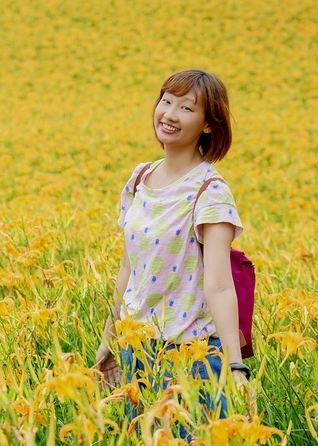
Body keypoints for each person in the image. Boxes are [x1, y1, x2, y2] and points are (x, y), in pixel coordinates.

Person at [95, 69, 249, 434]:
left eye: (186, 107)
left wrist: (236, 366)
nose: (169, 114)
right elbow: (128, 271)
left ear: (209, 124)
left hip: (191, 355)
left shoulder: (209, 192)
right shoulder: (139, 178)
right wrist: (108, 340)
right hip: (137, 351)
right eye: (166, 101)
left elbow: (220, 286)